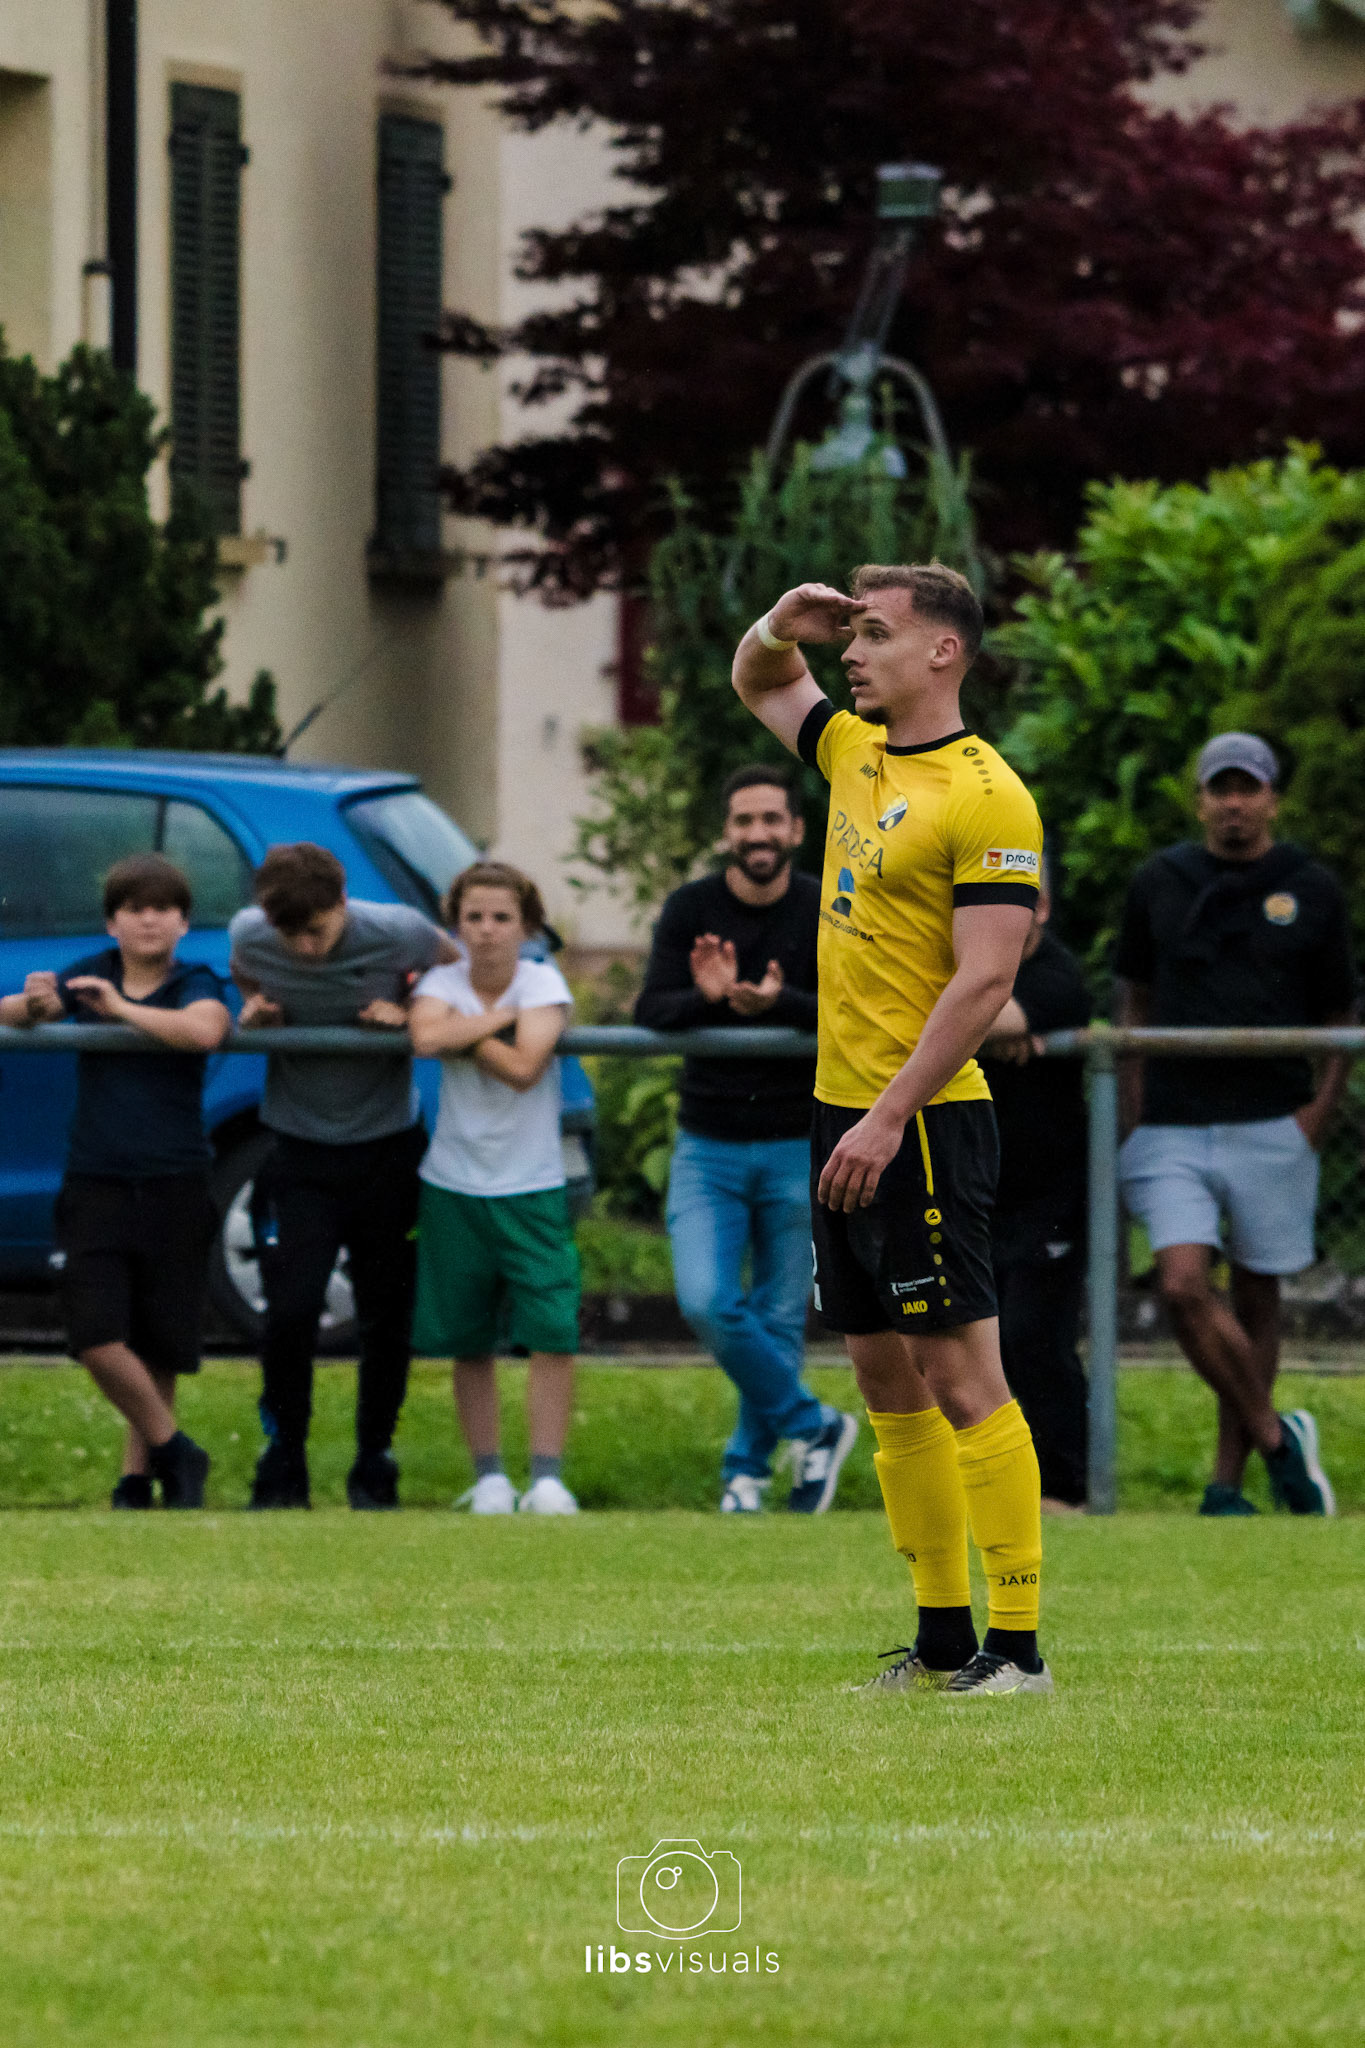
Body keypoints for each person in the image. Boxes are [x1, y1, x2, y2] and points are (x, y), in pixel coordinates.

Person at [732, 560, 1053, 1698]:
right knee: (883, 1379)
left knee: (966, 1376)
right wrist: (785, 619)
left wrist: (886, 1112)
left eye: (875, 634)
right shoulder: (852, 753)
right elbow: (762, 680)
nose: (851, 653)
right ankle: (944, 1636)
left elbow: (983, 982)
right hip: (844, 1113)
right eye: (850, 634)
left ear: (943, 652)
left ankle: (1018, 1648)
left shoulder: (989, 794)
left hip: (918, 1120)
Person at [1114, 732, 1354, 1517]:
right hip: (1174, 1122)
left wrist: (1316, 1112)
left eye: (1247, 788)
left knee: (1257, 1293)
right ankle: (1278, 1438)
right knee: (1184, 1284)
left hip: (1272, 1120)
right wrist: (1132, 1106)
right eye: (1219, 788)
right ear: (1199, 799)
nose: (1233, 803)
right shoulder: (1159, 881)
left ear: (1271, 798)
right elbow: (1133, 999)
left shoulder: (1309, 888)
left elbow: (1338, 1012)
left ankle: (1226, 1482)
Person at [634, 764, 858, 1512]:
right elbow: (648, 1011)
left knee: (775, 1314)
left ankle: (745, 1475)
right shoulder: (689, 907)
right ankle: (814, 1426)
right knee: (704, 1299)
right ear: (725, 832)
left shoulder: (828, 903)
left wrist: (778, 1002)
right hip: (709, 1141)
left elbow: (855, 1007)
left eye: (771, 820)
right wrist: (699, 999)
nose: (756, 834)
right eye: (743, 821)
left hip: (802, 1138)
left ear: (796, 829)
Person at [229, 842, 457, 1510]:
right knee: (291, 1311)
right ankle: (284, 1459)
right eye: (288, 934)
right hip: (298, 1151)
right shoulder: (253, 936)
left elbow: (455, 971)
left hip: (387, 1148)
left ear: (343, 902)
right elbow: (248, 970)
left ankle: (373, 1460)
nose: (303, 948)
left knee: (386, 1317)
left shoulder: (399, 932)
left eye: (317, 932)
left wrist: (416, 1007)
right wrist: (260, 1008)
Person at [0, 855, 228, 1507]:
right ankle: (177, 1450)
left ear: (184, 922)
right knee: (97, 1336)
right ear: (111, 922)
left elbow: (205, 1029)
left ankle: (140, 1478)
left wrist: (124, 1011)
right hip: (97, 1178)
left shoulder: (195, 978)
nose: (148, 919)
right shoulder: (91, 973)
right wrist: (37, 1003)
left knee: (159, 1342)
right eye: (133, 908)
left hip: (174, 1177)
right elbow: (19, 1010)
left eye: (162, 908)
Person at [408, 862, 581, 1514]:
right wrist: (493, 1020)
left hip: (531, 1184)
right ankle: (488, 1478)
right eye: (473, 917)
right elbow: (424, 1036)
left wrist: (465, 1030)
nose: (485, 932)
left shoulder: (542, 981)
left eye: (501, 918)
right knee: (467, 1339)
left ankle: (546, 1479)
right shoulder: (439, 980)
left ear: (527, 926)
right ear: (457, 923)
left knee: (552, 1332)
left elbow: (523, 1066)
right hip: (452, 1182)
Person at [979, 866, 1092, 1512]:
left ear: (1041, 906)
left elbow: (976, 1012)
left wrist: (985, 1022)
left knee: (1033, 1335)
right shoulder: (968, 965)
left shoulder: (1056, 974)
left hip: (1050, 1196)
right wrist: (987, 1025)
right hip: (977, 1189)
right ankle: (994, 1484)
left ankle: (1066, 1489)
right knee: (973, 1344)